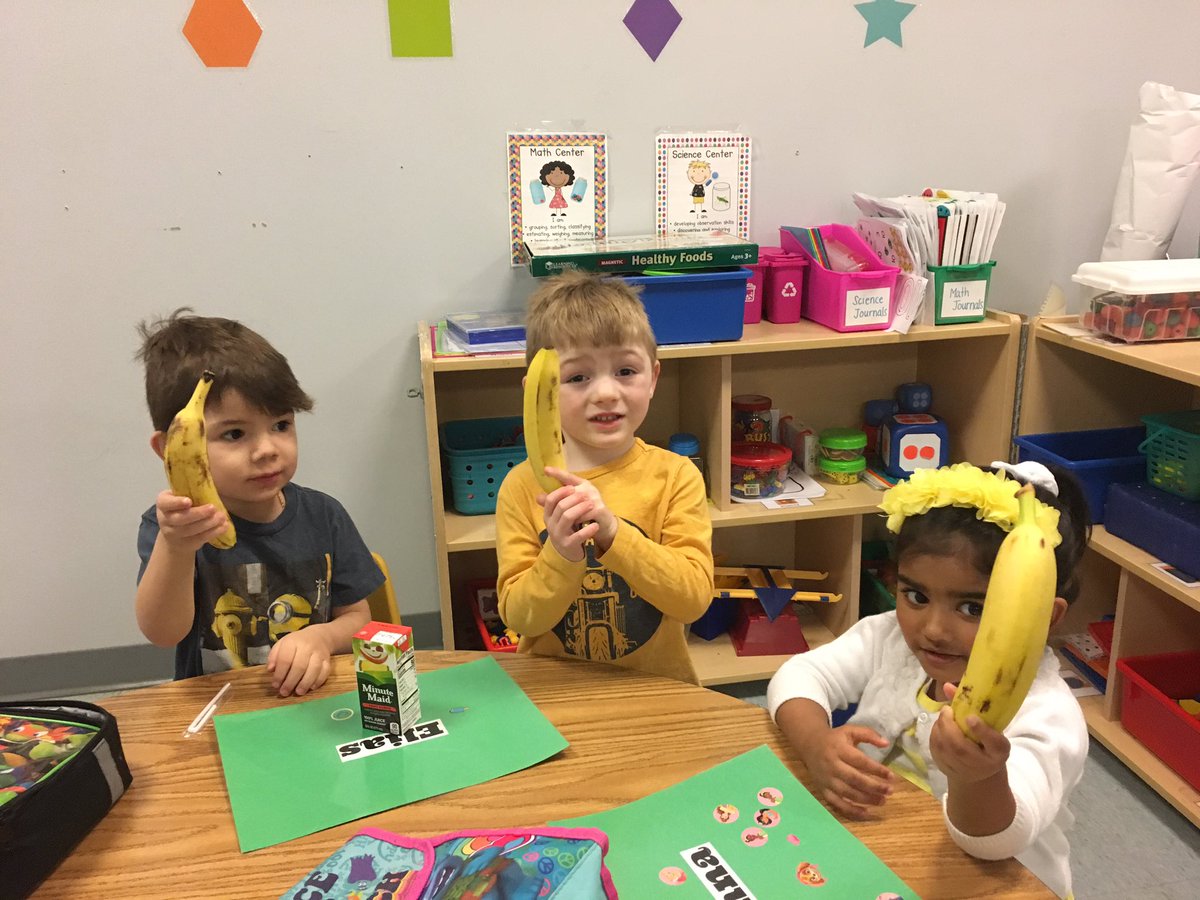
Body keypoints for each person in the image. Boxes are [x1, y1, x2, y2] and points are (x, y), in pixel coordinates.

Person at [768, 461, 1090, 900]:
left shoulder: (1048, 713)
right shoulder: (890, 637)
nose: (933, 629)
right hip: (884, 851)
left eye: (973, 608)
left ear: (1044, 617)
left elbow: (1000, 842)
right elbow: (800, 674)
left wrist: (978, 778)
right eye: (916, 596)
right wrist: (815, 743)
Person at [134, 310, 381, 696]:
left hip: (312, 701)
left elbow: (358, 618)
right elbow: (163, 633)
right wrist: (176, 548)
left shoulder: (324, 515)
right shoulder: (172, 530)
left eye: (281, 425)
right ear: (172, 448)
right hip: (216, 710)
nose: (267, 450)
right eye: (234, 433)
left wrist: (321, 638)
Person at [495, 270, 714, 683]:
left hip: (657, 690)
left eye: (626, 371)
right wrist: (561, 554)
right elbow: (521, 617)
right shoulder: (522, 487)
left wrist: (614, 533)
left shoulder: (676, 476)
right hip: (554, 695)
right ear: (539, 391)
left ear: (653, 378)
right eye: (578, 377)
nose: (606, 393)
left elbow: (693, 600)